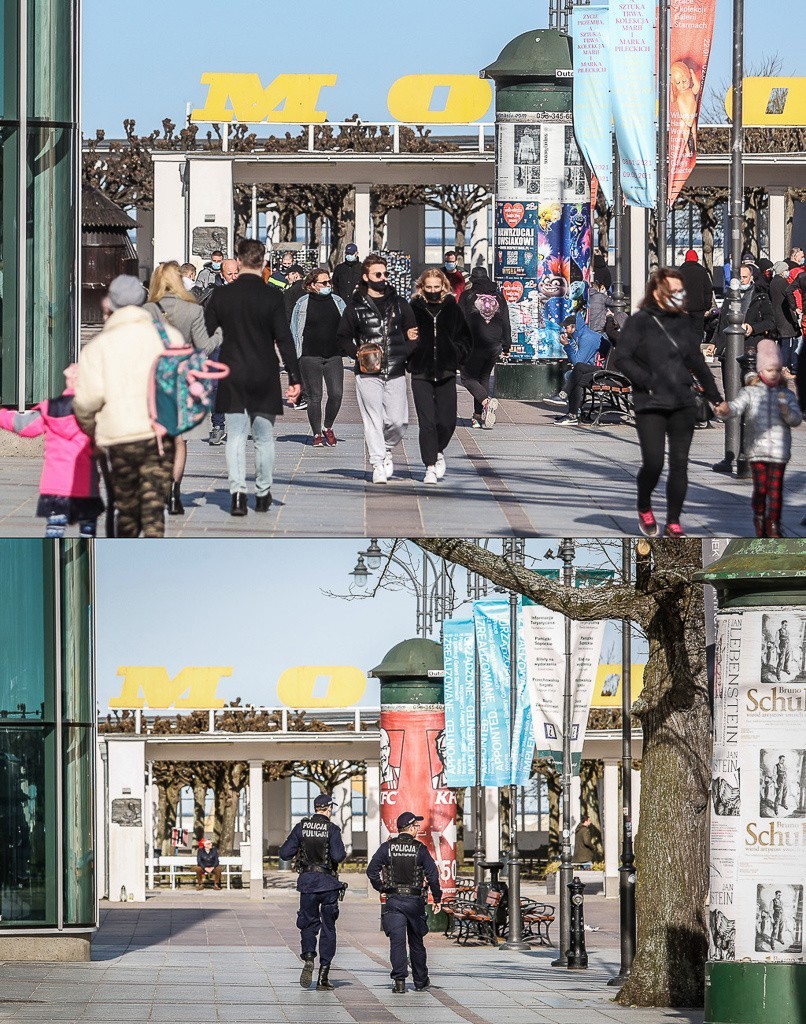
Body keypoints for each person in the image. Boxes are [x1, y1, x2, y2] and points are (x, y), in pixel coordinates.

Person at [614, 268, 723, 537]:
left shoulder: (682, 322)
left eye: (680, 292)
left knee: (679, 463)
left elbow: (696, 361)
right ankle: (644, 506)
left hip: (682, 401)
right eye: (673, 292)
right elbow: (622, 358)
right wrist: (647, 379)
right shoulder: (640, 321)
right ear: (658, 293)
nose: (679, 296)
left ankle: (674, 522)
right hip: (650, 402)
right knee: (653, 463)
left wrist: (715, 398)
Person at [74, 275, 180, 538]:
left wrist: (92, 430)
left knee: (126, 507)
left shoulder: (99, 345)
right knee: (154, 506)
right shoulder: (169, 336)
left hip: (119, 435)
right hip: (159, 432)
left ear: (109, 304)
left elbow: (87, 400)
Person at [204, 238, 301, 516]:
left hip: (232, 370)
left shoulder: (221, 296)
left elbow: (206, 336)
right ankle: (262, 493)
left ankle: (236, 494)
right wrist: (295, 377)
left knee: (234, 436)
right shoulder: (272, 296)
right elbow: (284, 339)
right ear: (263, 261)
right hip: (263, 372)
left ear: (240, 260)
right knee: (263, 437)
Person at [336, 254, 418, 484]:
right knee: (372, 419)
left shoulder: (400, 304)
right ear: (366, 277)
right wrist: (358, 355)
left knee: (398, 420)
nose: (383, 278)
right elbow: (342, 337)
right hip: (367, 373)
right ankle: (378, 463)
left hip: (395, 370)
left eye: (385, 274)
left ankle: (387, 447)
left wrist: (406, 353)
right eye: (377, 274)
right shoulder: (354, 307)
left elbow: (413, 332)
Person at [144, 262, 218, 516]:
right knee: (179, 441)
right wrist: (219, 335)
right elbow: (204, 348)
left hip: (154, 381)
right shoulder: (192, 310)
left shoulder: (147, 310)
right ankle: (175, 494)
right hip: (183, 381)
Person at [0, 363, 104, 537]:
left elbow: (23, 426)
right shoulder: (96, 411)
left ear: (68, 380)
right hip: (87, 485)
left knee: (54, 532)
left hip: (55, 486)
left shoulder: (50, 408)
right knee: (88, 532)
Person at [714, 340, 802, 536]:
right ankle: (759, 517)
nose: (773, 373)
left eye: (777, 369)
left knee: (776, 490)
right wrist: (725, 409)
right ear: (761, 371)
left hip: (779, 452)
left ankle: (774, 523)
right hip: (757, 451)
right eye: (769, 369)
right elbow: (736, 407)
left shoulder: (786, 395)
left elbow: (796, 419)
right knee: (761, 489)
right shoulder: (750, 392)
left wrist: (787, 412)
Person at [366, 811, 442, 994]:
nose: (418, 829)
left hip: (393, 901)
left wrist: (381, 888)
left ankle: (399, 981)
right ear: (410, 828)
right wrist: (437, 898)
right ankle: (420, 981)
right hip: (414, 902)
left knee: (397, 942)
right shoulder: (420, 849)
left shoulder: (387, 848)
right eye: (417, 826)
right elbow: (433, 875)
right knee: (416, 943)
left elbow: (371, 871)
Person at [408, 269, 471, 483]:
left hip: (446, 370)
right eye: (429, 288)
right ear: (422, 287)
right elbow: (400, 335)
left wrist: (456, 353)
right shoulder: (414, 308)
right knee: (427, 422)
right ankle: (430, 465)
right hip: (421, 371)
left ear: (443, 287)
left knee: (446, 421)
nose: (433, 291)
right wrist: (410, 346)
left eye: (437, 287)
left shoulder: (452, 308)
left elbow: (465, 338)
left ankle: (439, 450)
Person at [279, 793, 346, 992]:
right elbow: (338, 855)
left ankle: (309, 957)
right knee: (328, 928)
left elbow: (284, 854)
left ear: (315, 808)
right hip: (328, 884)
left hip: (307, 884)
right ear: (329, 809)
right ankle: (324, 975)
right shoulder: (332, 829)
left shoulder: (301, 827)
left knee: (308, 924)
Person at [290, 267, 347, 447]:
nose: (328, 285)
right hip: (309, 356)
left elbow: (348, 325)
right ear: (312, 285)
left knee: (336, 394)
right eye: (324, 283)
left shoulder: (338, 301)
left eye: (329, 282)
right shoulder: (302, 303)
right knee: (315, 397)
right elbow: (294, 329)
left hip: (333, 356)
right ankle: (316, 434)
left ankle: (327, 427)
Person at [459, 267, 511, 429]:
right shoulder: (499, 297)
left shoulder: (467, 296)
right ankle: (478, 416)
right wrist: (506, 345)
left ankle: (486, 402)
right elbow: (506, 322)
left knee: (467, 378)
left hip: (474, 343)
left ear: (473, 280)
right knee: (483, 378)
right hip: (494, 344)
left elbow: (459, 320)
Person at [549, 314, 607, 425]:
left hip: (602, 371)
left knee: (571, 375)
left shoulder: (587, 338)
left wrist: (566, 345)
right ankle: (574, 412)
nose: (564, 330)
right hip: (590, 368)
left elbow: (578, 362)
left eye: (566, 327)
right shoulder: (579, 336)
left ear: (573, 327)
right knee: (571, 374)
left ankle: (573, 410)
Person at [770, 261, 801, 373]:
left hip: (777, 314)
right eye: (786, 269)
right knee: (786, 342)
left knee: (781, 341)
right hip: (784, 316)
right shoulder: (782, 282)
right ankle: (783, 365)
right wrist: (795, 308)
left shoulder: (773, 282)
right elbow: (789, 295)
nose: (787, 272)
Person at [676, 249, 713, 342]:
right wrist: (706, 307)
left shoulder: (679, 273)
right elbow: (708, 291)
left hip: (683, 309)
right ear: (696, 259)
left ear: (686, 259)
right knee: (697, 331)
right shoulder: (702, 272)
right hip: (699, 309)